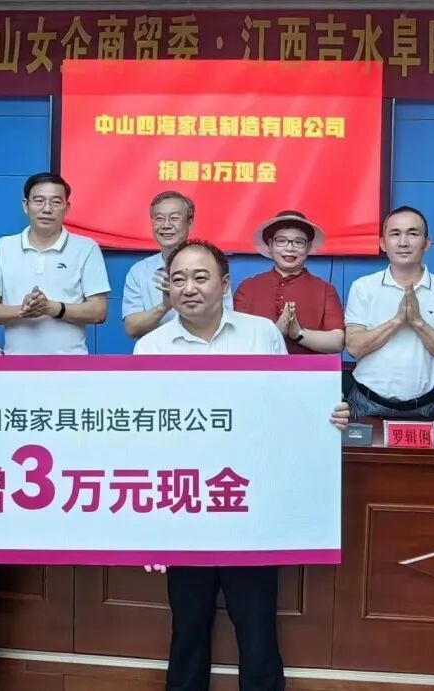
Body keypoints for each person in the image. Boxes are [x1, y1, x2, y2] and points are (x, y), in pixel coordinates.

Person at [134, 239, 350, 691]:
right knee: (188, 626)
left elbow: (285, 406)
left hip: (248, 503)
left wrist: (325, 416)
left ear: (225, 284)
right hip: (187, 505)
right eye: (178, 279)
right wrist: (153, 527)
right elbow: (147, 439)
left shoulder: (261, 334)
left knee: (256, 627)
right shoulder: (151, 347)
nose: (188, 288)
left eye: (200, 277)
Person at [344, 206, 434, 419]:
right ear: (383, 243)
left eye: (413, 233)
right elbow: (354, 347)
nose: (403, 242)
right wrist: (397, 321)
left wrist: (418, 322)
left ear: (427, 243)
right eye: (395, 234)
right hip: (367, 403)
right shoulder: (363, 287)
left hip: (423, 407)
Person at [0, 172, 110, 353]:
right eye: (39, 201)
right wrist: (25, 310)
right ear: (26, 205)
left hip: (71, 364)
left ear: (66, 207)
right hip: (15, 363)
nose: (47, 209)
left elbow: (98, 312)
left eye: (55, 202)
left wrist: (52, 308)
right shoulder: (3, 247)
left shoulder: (86, 248)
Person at [123, 191, 234, 339]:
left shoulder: (211, 265)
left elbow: (225, 320)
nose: (166, 225)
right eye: (159, 219)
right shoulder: (139, 271)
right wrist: (164, 307)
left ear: (189, 222)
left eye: (174, 218)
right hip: (157, 351)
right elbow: (132, 328)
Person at [234, 210, 345, 355]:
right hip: (257, 369)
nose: (289, 248)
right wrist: (276, 332)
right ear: (270, 245)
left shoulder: (325, 289)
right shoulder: (248, 287)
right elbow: (238, 339)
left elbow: (337, 342)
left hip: (309, 369)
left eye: (298, 242)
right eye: (281, 241)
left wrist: (298, 333)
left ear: (308, 247)